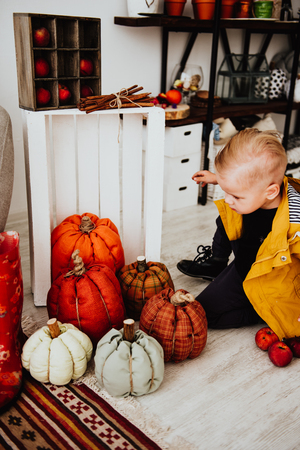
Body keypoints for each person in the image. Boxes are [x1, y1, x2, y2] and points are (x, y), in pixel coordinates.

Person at [177, 128, 300, 341]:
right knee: (225, 217)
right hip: (244, 266)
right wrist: (218, 179)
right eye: (226, 190)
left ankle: (260, 311)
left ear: (270, 192)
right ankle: (217, 261)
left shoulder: (295, 224)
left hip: (268, 282)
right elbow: (246, 181)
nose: (227, 199)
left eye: (235, 195)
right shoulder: (259, 188)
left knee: (205, 315)